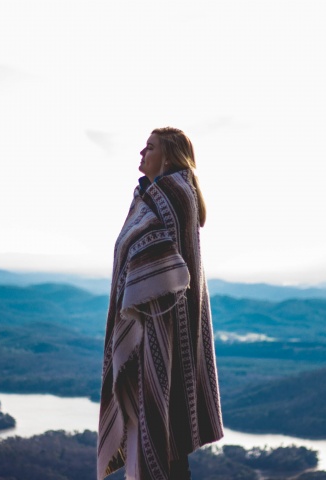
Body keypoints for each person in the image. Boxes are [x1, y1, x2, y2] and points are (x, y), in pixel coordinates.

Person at [97, 127, 224, 480]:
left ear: (167, 155)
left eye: (149, 147)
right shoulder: (158, 195)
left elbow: (157, 259)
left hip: (159, 327)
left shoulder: (170, 194)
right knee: (164, 433)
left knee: (163, 429)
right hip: (157, 325)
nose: (141, 152)